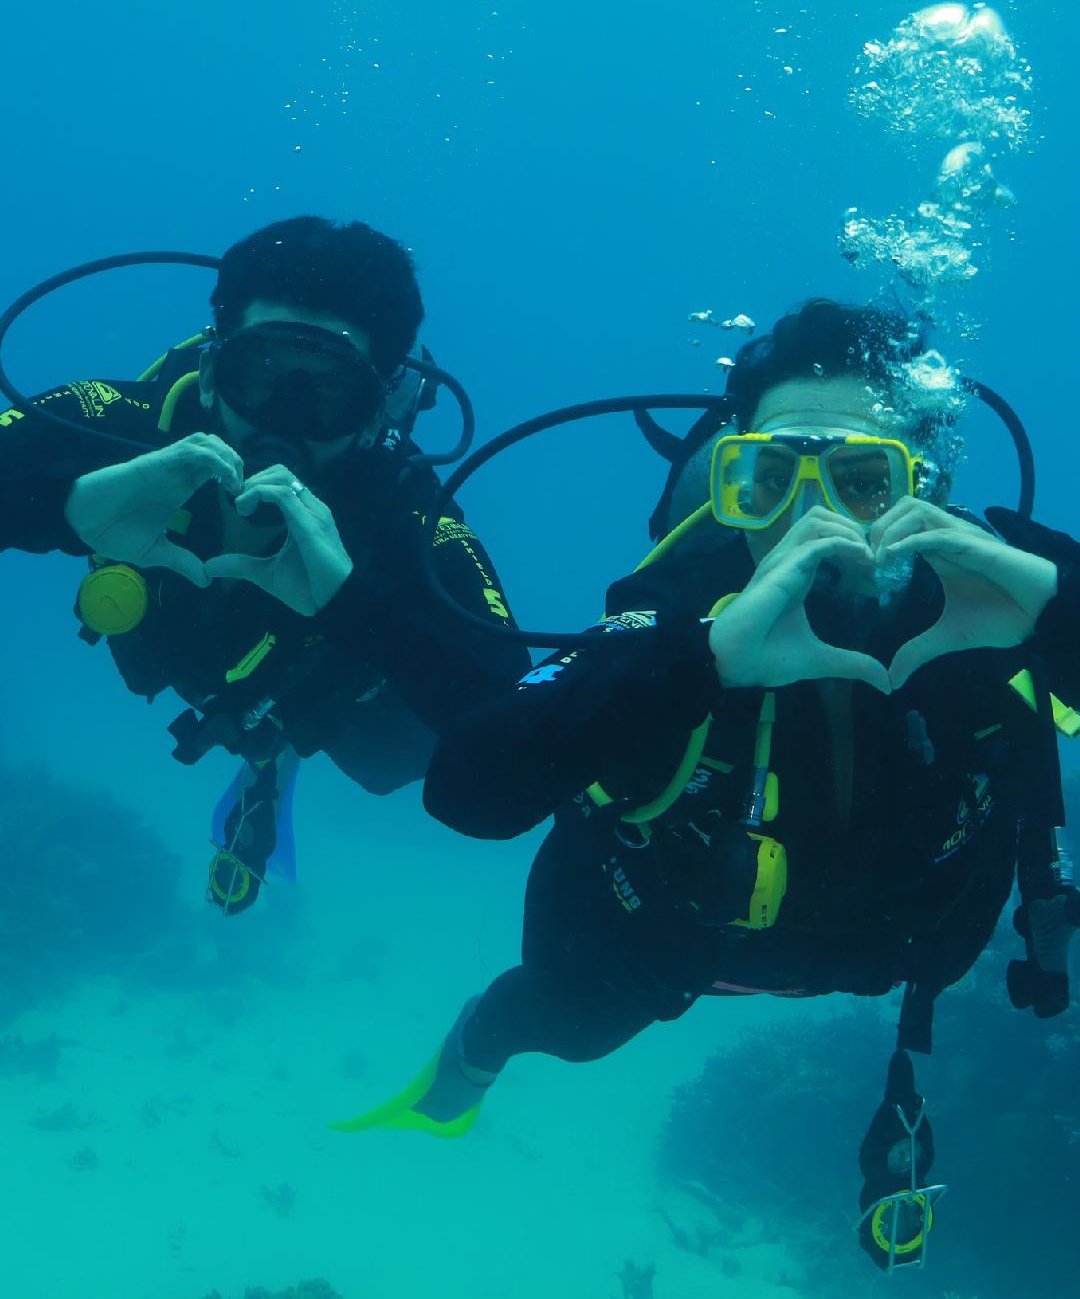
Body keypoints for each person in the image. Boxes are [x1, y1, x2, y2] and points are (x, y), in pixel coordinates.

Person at [334, 299, 1080, 1268]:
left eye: (861, 481)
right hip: (659, 944)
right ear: (730, 481)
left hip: (904, 947)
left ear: (922, 481)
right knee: (563, 1027)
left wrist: (1064, 621)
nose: (813, 524)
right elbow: (472, 788)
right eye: (771, 479)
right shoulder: (679, 606)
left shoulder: (1007, 592)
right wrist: (701, 665)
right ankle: (473, 1053)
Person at [0, 216, 526, 914]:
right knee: (160, 665)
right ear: (214, 373)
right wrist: (52, 506)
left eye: (331, 392)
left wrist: (364, 613)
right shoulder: (118, 426)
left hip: (325, 687)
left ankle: (277, 752)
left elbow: (519, 756)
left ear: (375, 414)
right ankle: (262, 747)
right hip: (180, 648)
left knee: (387, 763)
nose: (284, 422)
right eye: (262, 375)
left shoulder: (405, 519)